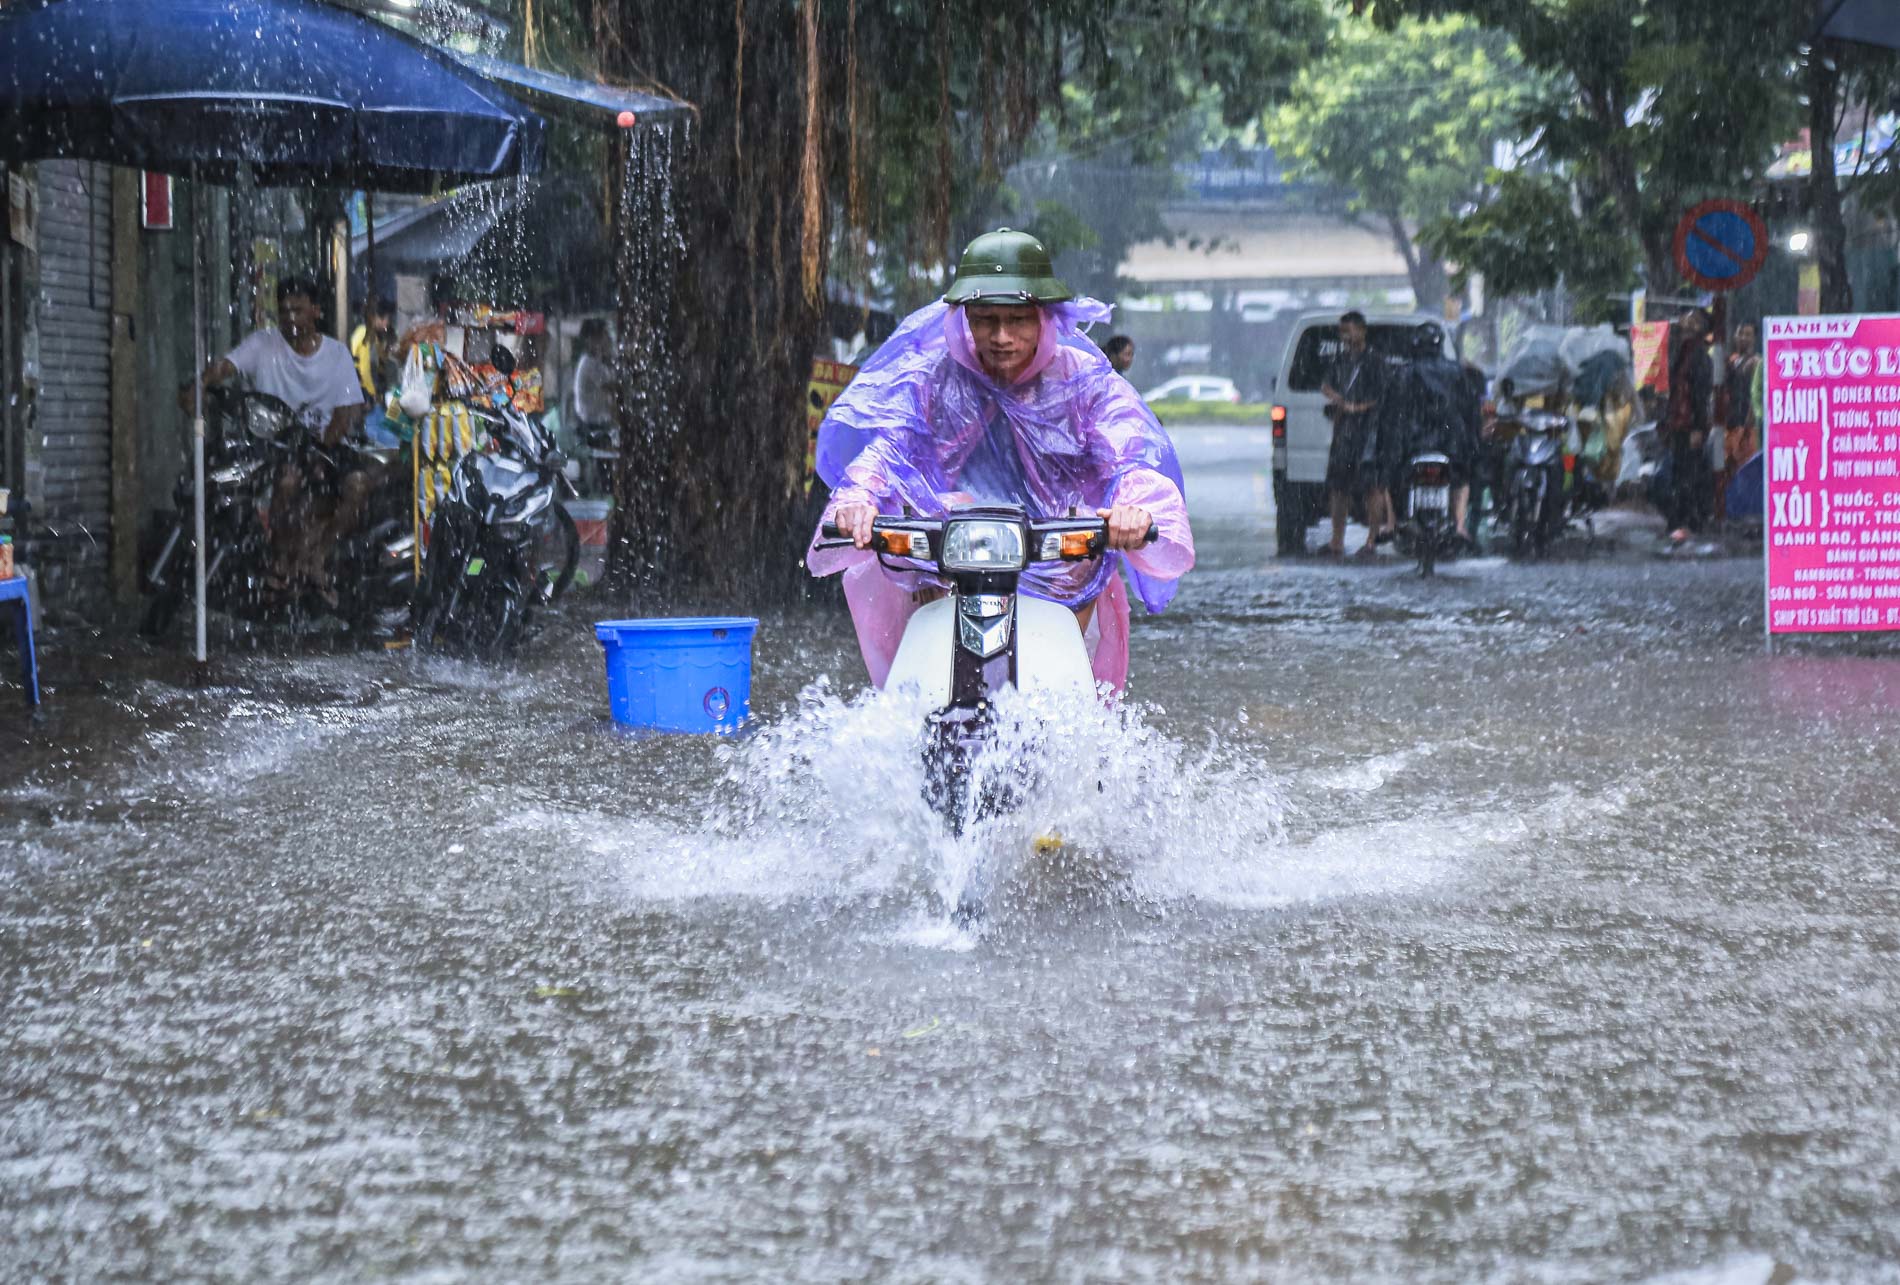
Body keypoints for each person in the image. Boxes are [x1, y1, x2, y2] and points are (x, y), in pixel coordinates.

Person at [809, 228, 1193, 694]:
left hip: (1059, 561)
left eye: (1018, 320)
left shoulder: (1086, 382)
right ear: (964, 318)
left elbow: (1130, 454)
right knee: (920, 695)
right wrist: (858, 500)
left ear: (1045, 318)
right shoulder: (935, 379)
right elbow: (889, 449)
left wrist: (1134, 508)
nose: (1002, 337)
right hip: (952, 564)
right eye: (986, 319)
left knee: (1066, 705)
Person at [183, 276, 368, 601]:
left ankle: (318, 557)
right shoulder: (263, 344)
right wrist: (200, 384)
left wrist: (322, 449)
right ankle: (279, 560)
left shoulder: (337, 355)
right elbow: (225, 367)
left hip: (325, 445)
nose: (290, 319)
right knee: (287, 481)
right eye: (283, 312)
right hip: (274, 446)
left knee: (357, 486)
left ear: (316, 311)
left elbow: (347, 410)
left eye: (297, 310)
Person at [1383, 322, 1482, 542]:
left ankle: (1390, 523)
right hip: (1450, 443)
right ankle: (1459, 525)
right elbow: (1470, 409)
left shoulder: (1404, 372)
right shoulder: (1457, 372)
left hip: (1413, 442)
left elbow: (1391, 413)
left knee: (1389, 476)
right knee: (1462, 478)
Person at [1321, 310, 1388, 558]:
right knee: (1338, 487)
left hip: (1368, 432)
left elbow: (1382, 397)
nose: (1345, 337)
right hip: (1343, 432)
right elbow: (1325, 384)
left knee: (1373, 487)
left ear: (1362, 330)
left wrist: (1355, 408)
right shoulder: (1339, 360)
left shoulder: (1375, 361)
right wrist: (1337, 398)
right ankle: (1336, 541)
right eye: (1342, 332)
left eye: (1349, 331)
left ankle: (1371, 540)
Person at [1661, 308, 1714, 543]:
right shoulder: (1681, 351)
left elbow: (1700, 395)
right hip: (1678, 424)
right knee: (1679, 474)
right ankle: (1679, 521)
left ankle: (1689, 522)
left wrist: (1698, 427)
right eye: (1686, 319)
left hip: (1690, 425)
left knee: (1689, 475)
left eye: (1694, 320)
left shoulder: (1700, 355)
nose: (1687, 323)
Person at [1716, 321, 1762, 521]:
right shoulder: (1730, 361)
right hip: (1729, 424)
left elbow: (1755, 395)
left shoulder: (1757, 362)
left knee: (1744, 470)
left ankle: (1745, 513)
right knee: (1726, 470)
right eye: (1740, 333)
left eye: (1748, 334)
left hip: (1746, 427)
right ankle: (1726, 510)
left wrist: (1748, 424)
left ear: (1754, 338)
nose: (1743, 337)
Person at [570, 319, 618, 494]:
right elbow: (613, 387)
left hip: (598, 423)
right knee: (608, 469)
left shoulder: (596, 361)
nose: (607, 339)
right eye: (604, 336)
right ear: (594, 339)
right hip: (594, 426)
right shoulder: (589, 363)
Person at [350, 296, 400, 447]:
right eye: (385, 318)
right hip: (366, 400)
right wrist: (370, 396)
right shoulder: (366, 335)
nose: (387, 323)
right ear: (374, 317)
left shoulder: (373, 336)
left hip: (371, 397)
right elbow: (365, 370)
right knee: (375, 438)